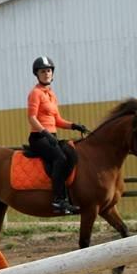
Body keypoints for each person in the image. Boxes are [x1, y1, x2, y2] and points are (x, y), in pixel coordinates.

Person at [27, 56, 88, 214]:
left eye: (48, 70)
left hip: (51, 136)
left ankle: (67, 195)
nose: (46, 73)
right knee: (59, 158)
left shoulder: (51, 95)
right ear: (37, 74)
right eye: (43, 71)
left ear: (52, 73)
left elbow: (57, 120)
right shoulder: (35, 93)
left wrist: (74, 126)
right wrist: (45, 133)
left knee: (72, 155)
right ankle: (58, 200)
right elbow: (32, 118)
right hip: (39, 138)